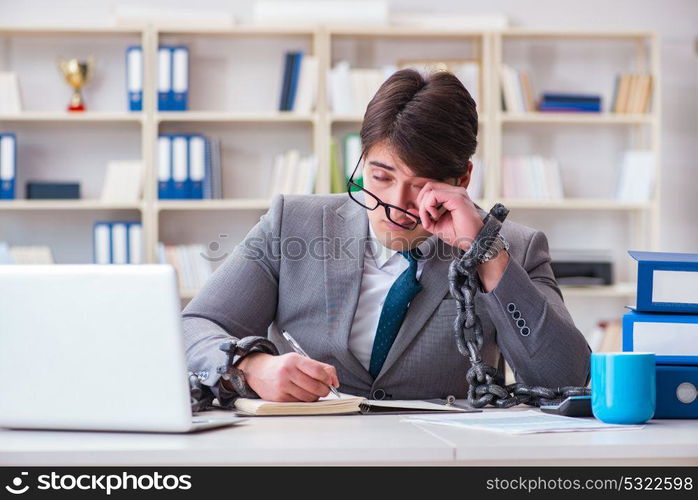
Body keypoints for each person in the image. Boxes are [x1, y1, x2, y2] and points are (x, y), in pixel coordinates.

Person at [183, 69, 591, 404]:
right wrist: (251, 366)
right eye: (381, 176)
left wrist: (486, 253)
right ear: (360, 162)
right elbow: (195, 326)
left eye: (422, 185)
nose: (397, 204)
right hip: (304, 452)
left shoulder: (515, 248)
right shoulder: (293, 223)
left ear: (463, 178)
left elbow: (565, 377)